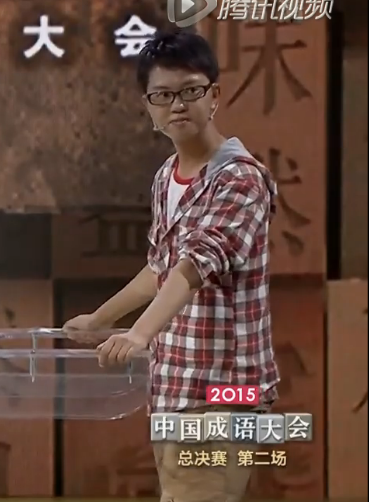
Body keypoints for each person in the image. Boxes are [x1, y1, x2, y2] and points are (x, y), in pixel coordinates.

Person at [62, 30, 280, 502]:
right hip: (174, 386)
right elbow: (159, 269)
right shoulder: (166, 177)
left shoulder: (241, 179)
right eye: (162, 95)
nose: (177, 105)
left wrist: (139, 334)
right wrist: (100, 319)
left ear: (214, 95)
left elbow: (193, 267)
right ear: (148, 106)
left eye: (190, 91)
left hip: (223, 390)